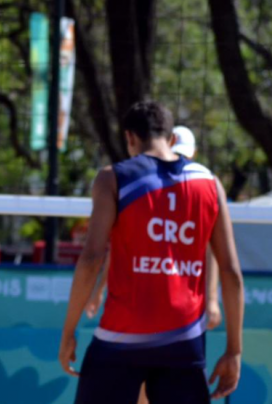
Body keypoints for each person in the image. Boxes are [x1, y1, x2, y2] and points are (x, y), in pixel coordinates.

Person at [59, 102, 244, 404]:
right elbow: (231, 272)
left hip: (119, 338)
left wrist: (69, 332)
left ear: (130, 138)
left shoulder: (112, 178)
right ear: (171, 139)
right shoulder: (210, 184)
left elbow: (91, 259)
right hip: (184, 342)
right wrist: (234, 350)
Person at [85, 125, 223, 330]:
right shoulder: (146, 193)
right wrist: (98, 289)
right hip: (142, 305)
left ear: (193, 154)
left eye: (185, 157)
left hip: (179, 309)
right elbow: (119, 246)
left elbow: (214, 252)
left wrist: (212, 299)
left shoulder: (201, 191)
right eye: (178, 156)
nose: (181, 161)